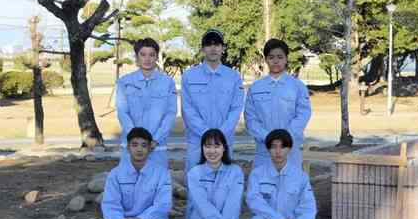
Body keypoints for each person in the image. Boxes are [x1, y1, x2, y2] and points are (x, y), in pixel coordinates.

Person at [245, 129, 317, 219]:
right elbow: (254, 201)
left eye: (282, 147)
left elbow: (308, 207)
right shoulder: (257, 174)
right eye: (273, 146)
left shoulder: (300, 176)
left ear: (289, 149)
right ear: (268, 149)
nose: (278, 151)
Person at [101, 127, 172, 219]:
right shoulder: (116, 174)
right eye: (134, 145)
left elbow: (163, 204)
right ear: (128, 147)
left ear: (150, 148)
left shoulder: (161, 173)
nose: (139, 149)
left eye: (144, 145)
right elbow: (110, 205)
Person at [181, 29, 245, 173]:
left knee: (223, 185)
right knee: (196, 185)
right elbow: (187, 109)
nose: (213, 48)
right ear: (203, 49)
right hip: (197, 141)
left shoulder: (233, 77)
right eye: (208, 45)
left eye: (217, 44)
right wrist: (206, 134)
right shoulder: (190, 76)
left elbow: (236, 108)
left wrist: (220, 135)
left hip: (224, 141)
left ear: (223, 48)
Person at [244, 38, 312, 170]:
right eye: (271, 57)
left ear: (286, 59)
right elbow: (250, 119)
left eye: (280, 57)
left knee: (290, 189)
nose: (276, 61)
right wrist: (268, 138)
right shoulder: (256, 88)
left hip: (290, 151)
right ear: (266, 60)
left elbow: (303, 114)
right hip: (264, 151)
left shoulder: (297, 87)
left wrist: (285, 139)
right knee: (263, 188)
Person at [183, 129, 244, 219]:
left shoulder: (235, 171)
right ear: (202, 148)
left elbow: (233, 203)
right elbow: (201, 203)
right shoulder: (194, 173)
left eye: (216, 146)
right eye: (207, 146)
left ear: (224, 148)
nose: (212, 151)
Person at [116, 38, 177, 168]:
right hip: (131, 146)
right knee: (129, 184)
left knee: (157, 183)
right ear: (137, 57)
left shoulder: (168, 83)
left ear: (156, 57)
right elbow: (123, 112)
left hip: (157, 146)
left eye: (152, 55)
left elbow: (170, 113)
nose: (147, 59)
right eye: (143, 55)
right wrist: (136, 140)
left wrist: (155, 140)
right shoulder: (125, 82)